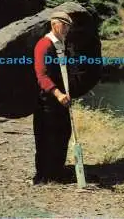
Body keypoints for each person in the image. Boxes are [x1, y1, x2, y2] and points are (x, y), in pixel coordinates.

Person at [32, 11, 74, 185]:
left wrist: (68, 92)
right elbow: (41, 75)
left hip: (62, 100)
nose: (66, 28)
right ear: (53, 24)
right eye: (63, 25)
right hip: (46, 100)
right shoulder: (44, 45)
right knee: (45, 136)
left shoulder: (62, 46)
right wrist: (57, 93)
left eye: (68, 26)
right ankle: (41, 176)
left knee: (63, 133)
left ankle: (57, 172)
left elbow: (65, 72)